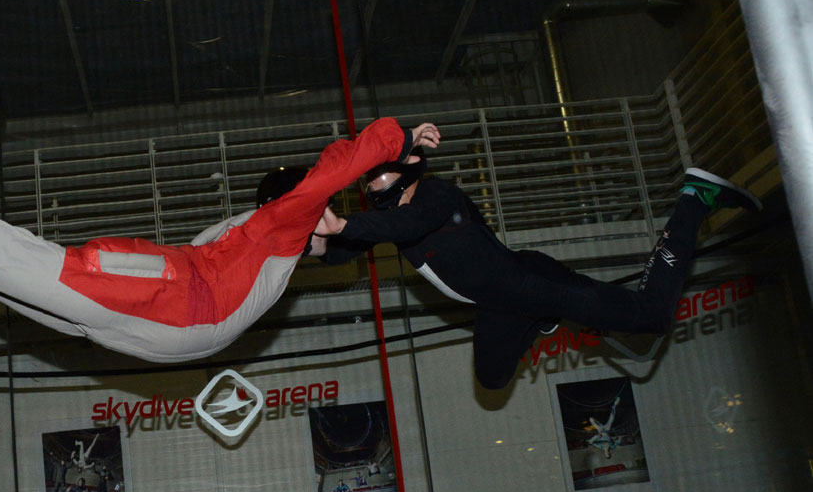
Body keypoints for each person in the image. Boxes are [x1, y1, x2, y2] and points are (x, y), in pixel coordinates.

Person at [0, 117, 438, 363]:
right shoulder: (278, 229)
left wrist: (393, 162)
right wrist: (395, 141)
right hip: (176, 311)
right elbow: (335, 173)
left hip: (169, 322)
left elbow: (345, 220)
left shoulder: (277, 243)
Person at [311, 147, 762, 389]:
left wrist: (346, 222)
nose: (373, 185)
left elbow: (394, 223)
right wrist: (307, 245)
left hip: (529, 285)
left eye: (380, 177)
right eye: (369, 181)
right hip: (502, 300)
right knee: (491, 379)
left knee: (651, 316)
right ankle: (542, 318)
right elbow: (346, 248)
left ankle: (695, 201)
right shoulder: (395, 219)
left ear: (409, 169)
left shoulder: (433, 198)